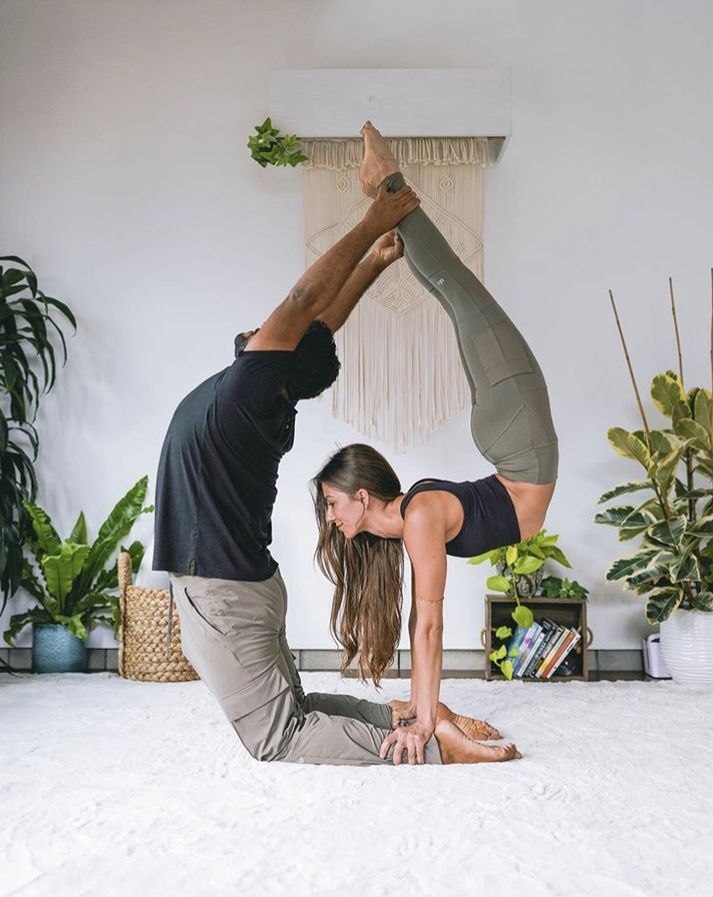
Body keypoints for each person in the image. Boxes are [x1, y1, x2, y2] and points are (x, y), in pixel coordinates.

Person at [153, 180, 518, 767]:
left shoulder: (249, 392)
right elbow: (320, 324)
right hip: (250, 584)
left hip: (219, 589)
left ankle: (422, 744)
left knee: (276, 736)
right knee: (293, 705)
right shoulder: (270, 398)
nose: (268, 324)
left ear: (280, 361)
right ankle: (405, 715)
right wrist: (371, 266)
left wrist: (374, 224)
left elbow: (304, 303)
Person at [312, 122, 559, 765]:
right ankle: (386, 183)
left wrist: (423, 724)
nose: (332, 520)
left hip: (520, 441)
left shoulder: (419, 516)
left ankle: (388, 182)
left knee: (453, 288)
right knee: (453, 293)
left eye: (333, 506)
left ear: (361, 497)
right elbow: (424, 627)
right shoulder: (413, 516)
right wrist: (424, 712)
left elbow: (430, 625)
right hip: (513, 440)